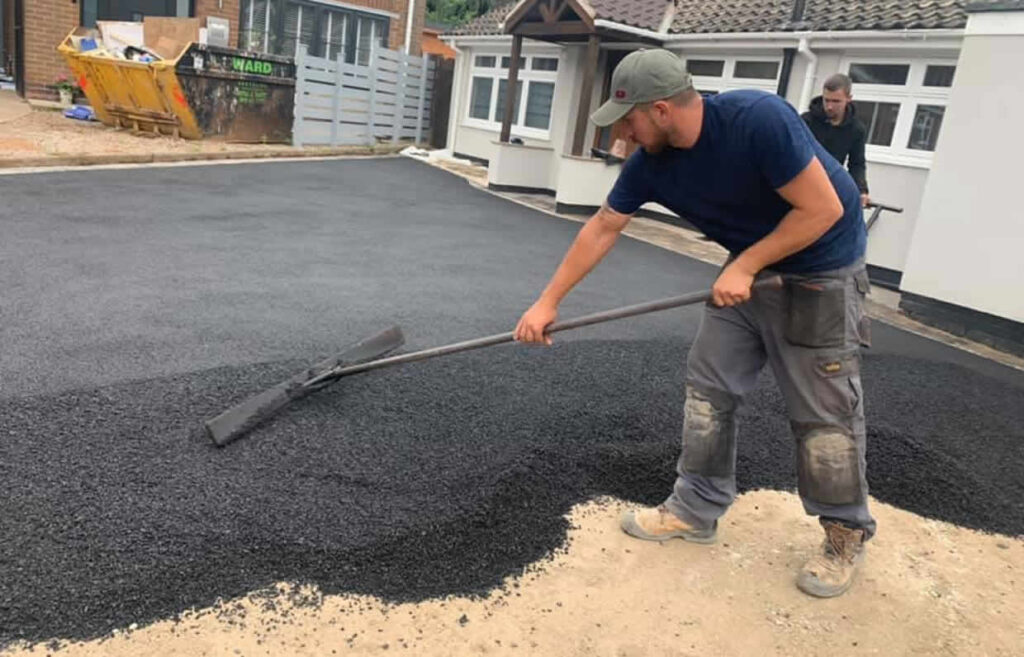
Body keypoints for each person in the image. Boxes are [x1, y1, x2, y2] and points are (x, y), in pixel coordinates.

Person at [514, 49, 875, 599]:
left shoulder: (758, 120)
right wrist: (547, 302)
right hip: (748, 270)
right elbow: (604, 226)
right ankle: (696, 508)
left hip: (821, 271)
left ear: (660, 110)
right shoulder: (649, 163)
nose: (623, 135)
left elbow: (823, 210)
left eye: (628, 121)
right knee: (709, 393)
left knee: (825, 414)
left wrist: (747, 265)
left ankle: (845, 532)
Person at [802, 73, 871, 207]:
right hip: (800, 184)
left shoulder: (856, 129)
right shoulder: (806, 121)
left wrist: (861, 190)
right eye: (826, 100)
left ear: (848, 99)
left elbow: (856, 163)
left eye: (836, 101)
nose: (829, 106)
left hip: (829, 188)